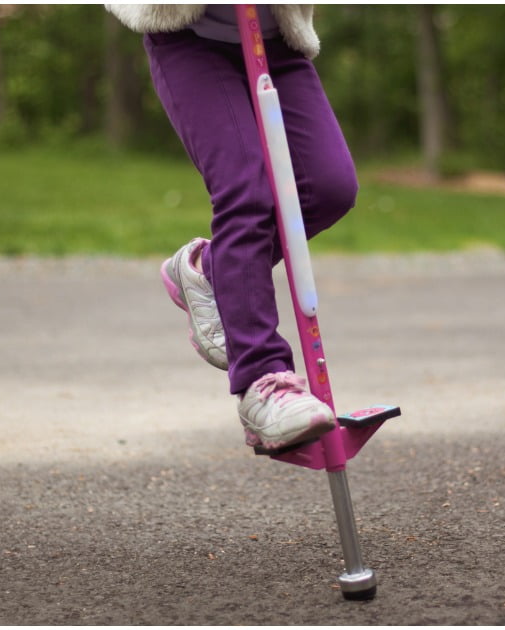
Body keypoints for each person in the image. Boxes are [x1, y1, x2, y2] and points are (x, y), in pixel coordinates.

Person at [106, 5, 357, 450]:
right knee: (247, 191)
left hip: (276, 37)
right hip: (188, 36)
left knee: (329, 187)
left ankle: (210, 270)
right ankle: (263, 382)